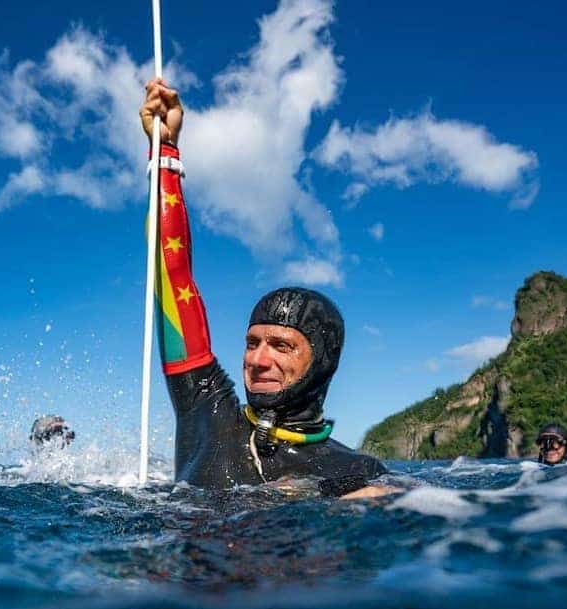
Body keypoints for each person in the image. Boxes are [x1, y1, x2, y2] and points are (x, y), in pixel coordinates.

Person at [139, 79, 394, 500]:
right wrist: (165, 152)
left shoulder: (357, 472)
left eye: (281, 345)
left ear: (322, 360)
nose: (258, 360)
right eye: (252, 342)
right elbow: (172, 277)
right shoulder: (206, 410)